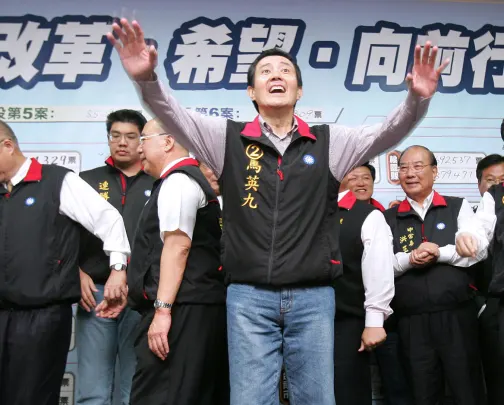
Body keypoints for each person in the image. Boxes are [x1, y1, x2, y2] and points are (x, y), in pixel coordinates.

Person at [108, 18, 448, 405]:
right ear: (252, 90)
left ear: (298, 90)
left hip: (314, 297)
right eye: (265, 71)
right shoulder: (226, 139)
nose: (276, 75)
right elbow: (173, 117)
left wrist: (417, 99)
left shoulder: (329, 143)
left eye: (285, 70)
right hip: (248, 298)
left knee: (317, 399)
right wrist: (147, 81)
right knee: (251, 400)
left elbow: (388, 132)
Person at [0, 120, 130, 405]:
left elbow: (108, 220)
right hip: (3, 311)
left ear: (7, 146)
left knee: (31, 396)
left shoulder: (58, 181)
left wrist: (118, 269)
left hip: (41, 316)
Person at [121, 119, 228, 405]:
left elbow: (177, 246)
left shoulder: (179, 181)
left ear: (167, 142)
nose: (138, 148)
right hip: (193, 307)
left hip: (183, 310)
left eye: (143, 139)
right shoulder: (179, 180)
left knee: (164, 394)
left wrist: (163, 311)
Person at [384, 145, 487, 405]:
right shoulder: (388, 217)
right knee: (422, 394)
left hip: (457, 317)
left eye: (418, 166)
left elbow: (478, 250)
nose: (410, 173)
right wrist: (409, 259)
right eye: (404, 168)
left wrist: (438, 252)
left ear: (435, 171)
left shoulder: (457, 206)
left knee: (467, 390)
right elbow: (381, 265)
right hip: (411, 321)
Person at [76, 109, 154, 405]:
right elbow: (63, 236)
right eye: (115, 136)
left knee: (133, 387)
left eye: (131, 136)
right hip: (94, 293)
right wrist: (76, 272)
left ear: (143, 140)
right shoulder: (85, 181)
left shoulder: (159, 182)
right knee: (92, 388)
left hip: (140, 295)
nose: (122, 143)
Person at [343, 163, 413, 405]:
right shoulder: (335, 216)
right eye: (354, 178)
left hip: (387, 316)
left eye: (366, 178)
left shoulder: (387, 215)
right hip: (349, 314)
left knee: (395, 377)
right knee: (350, 380)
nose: (361, 183)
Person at [333, 175, 394, 405]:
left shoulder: (367, 215)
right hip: (302, 319)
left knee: (347, 391)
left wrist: (374, 321)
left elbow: (378, 269)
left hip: (347, 319)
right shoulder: (301, 208)